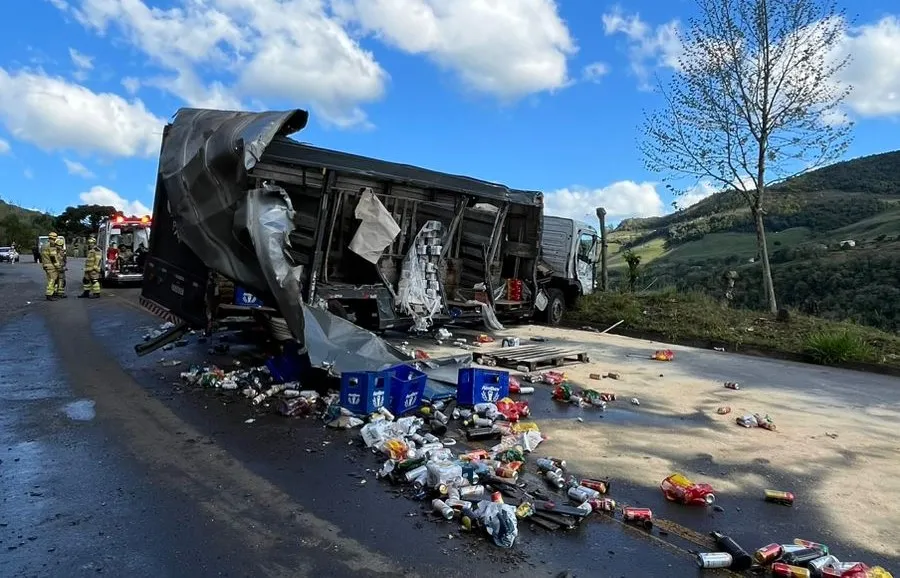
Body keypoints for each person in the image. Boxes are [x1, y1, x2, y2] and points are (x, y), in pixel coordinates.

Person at [40, 232, 61, 301]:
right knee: (52, 280)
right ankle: (49, 295)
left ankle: (52, 293)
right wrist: (58, 266)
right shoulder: (51, 246)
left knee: (51, 279)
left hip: (46, 265)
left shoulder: (44, 245)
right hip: (51, 266)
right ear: (54, 238)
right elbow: (53, 257)